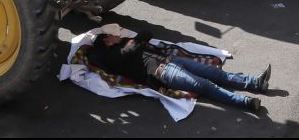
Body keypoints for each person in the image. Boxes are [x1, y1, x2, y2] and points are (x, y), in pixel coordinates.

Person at [88, 30, 271, 112]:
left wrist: (135, 40)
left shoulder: (123, 45)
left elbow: (147, 33)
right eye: (112, 35)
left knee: (215, 73)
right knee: (206, 86)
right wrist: (135, 40)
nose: (116, 34)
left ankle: (256, 82)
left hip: (172, 60)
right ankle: (246, 103)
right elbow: (135, 45)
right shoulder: (112, 57)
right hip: (163, 72)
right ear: (107, 41)